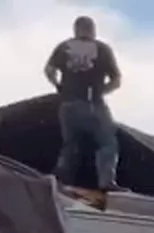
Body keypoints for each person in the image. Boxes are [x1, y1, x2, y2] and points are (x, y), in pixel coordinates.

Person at [44, 16, 123, 191]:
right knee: (107, 141)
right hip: (92, 103)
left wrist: (59, 86)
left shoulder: (64, 47)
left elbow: (49, 71)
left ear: (76, 29)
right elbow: (117, 80)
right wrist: (102, 91)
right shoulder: (102, 49)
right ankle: (106, 182)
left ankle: (59, 180)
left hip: (68, 105)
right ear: (92, 30)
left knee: (71, 144)